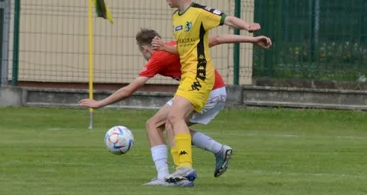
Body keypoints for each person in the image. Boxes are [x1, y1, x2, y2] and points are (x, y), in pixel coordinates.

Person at [79, 29, 272, 185]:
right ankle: (218, 150)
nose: (145, 58)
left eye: (143, 54)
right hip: (215, 89)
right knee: (168, 124)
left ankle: (170, 176)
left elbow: (130, 90)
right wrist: (252, 40)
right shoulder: (175, 46)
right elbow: (217, 38)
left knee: (161, 124)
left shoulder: (157, 57)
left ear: (146, 49)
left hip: (206, 90)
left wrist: (99, 103)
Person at [160, 0, 261, 187]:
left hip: (200, 75)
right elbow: (183, 49)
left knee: (175, 116)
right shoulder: (176, 18)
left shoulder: (199, 12)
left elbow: (226, 19)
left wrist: (247, 27)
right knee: (172, 123)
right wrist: (165, 48)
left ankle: (185, 168)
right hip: (188, 76)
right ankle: (185, 174)